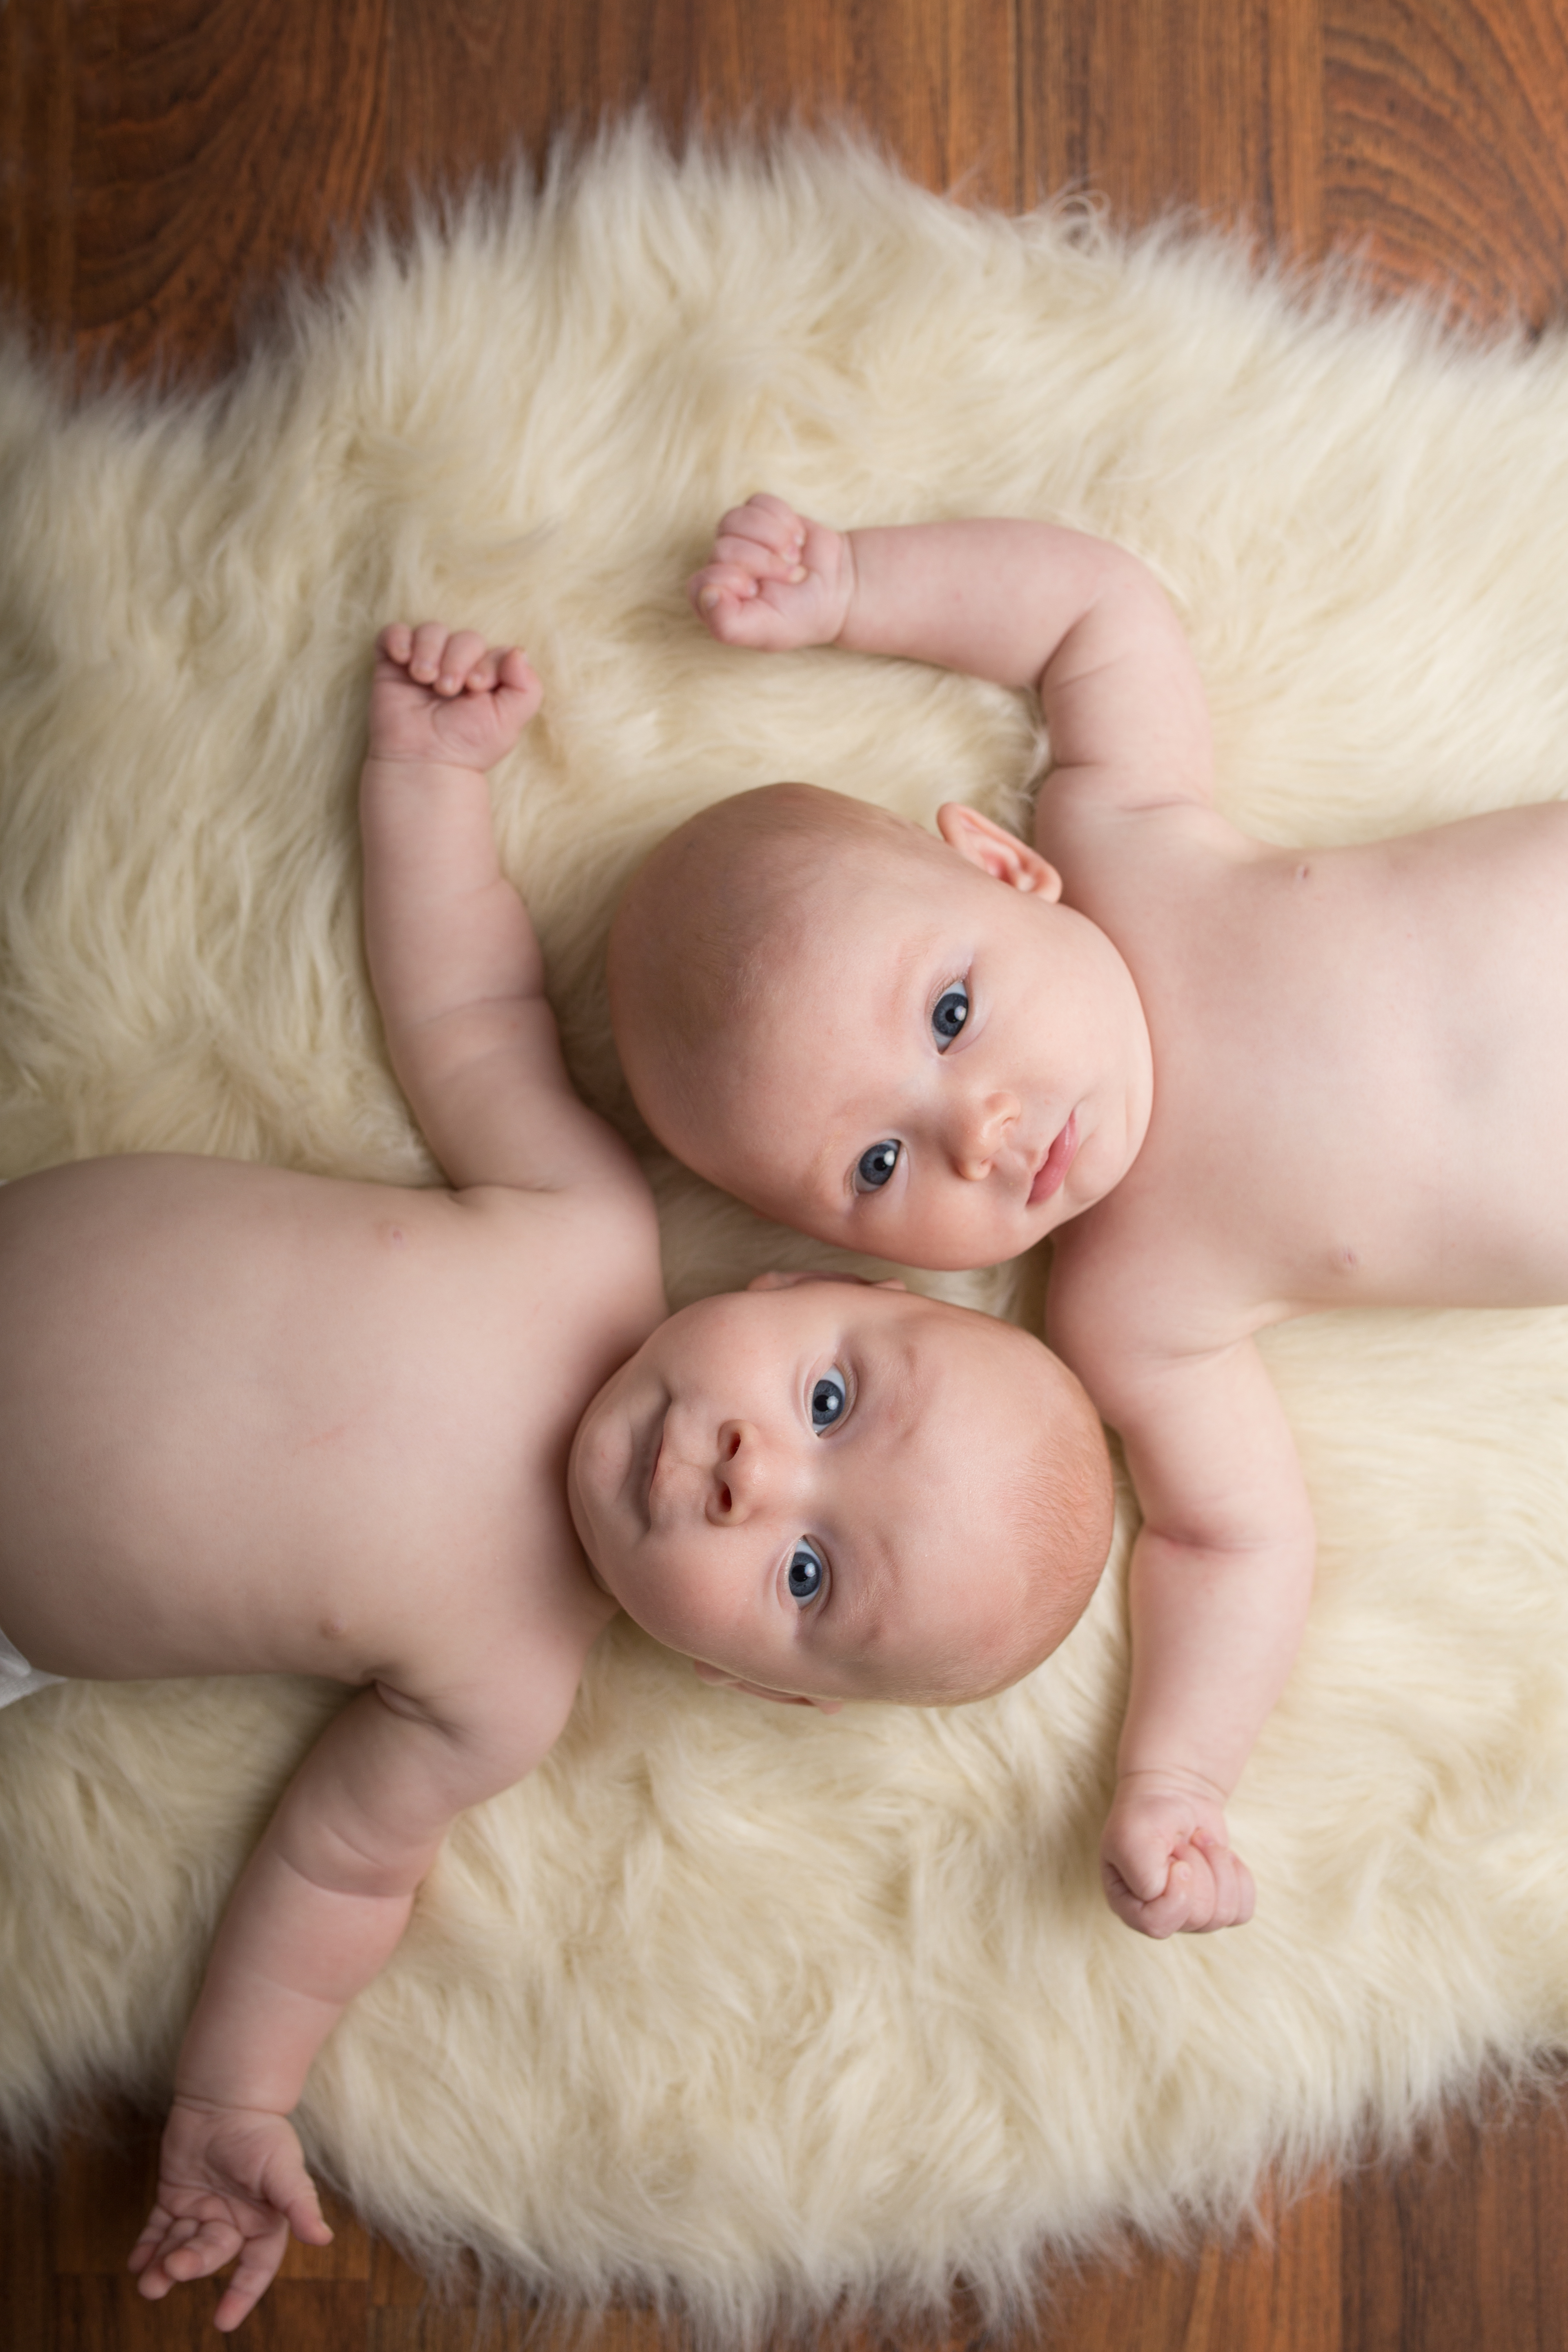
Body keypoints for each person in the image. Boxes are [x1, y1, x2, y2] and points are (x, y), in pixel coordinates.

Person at [0, 621, 1112, 2330]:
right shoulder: (573, 1224)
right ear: (799, 1283)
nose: (757, 1479)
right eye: (828, 1398)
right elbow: (465, 1000)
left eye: (807, 1579)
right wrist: (431, 781)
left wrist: (237, 2101)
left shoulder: (498, 1690)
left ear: (752, 1681)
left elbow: (335, 1880)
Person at [608, 490, 1568, 1947]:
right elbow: (1233, 1541)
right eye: (880, 1165)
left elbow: (1091, 610)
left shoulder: (1126, 848)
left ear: (1003, 868)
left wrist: (856, 586)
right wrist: (1178, 1774)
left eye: (950, 1013)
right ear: (861, 1257)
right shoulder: (1129, 1311)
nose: (977, 1128)